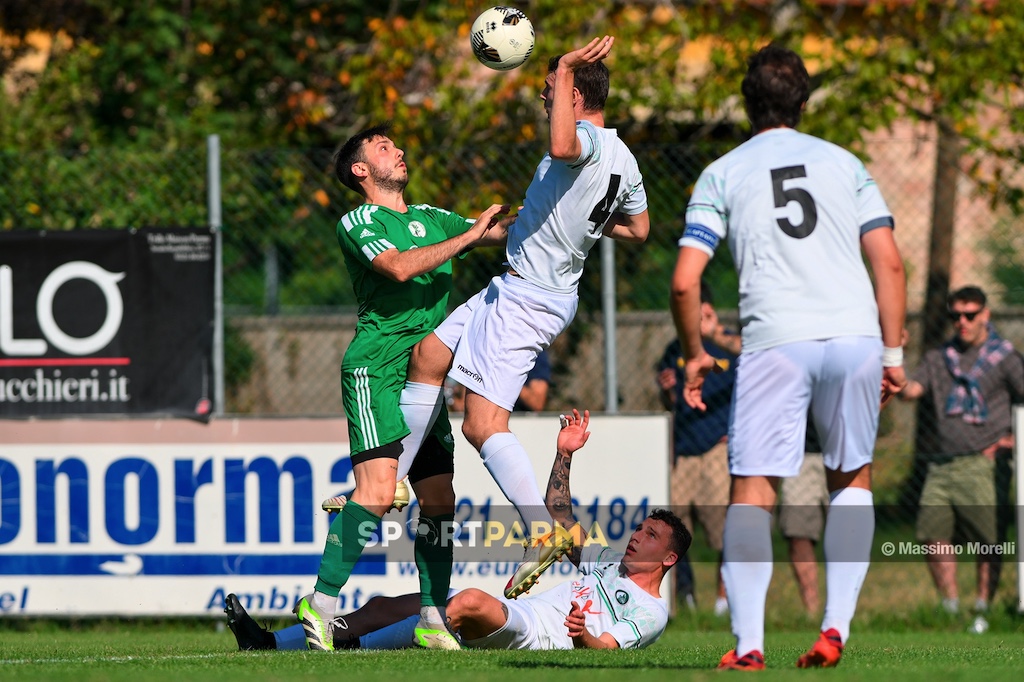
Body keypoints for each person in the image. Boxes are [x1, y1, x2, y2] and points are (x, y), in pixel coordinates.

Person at [670, 44, 907, 670]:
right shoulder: (846, 163)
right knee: (851, 476)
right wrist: (894, 353)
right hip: (855, 336)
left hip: (776, 339)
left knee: (753, 490)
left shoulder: (722, 172)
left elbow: (684, 282)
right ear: (803, 102)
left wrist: (695, 353)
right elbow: (888, 261)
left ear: (746, 104)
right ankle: (834, 627)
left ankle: (749, 646)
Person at [396, 35, 651, 604]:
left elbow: (563, 147)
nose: (546, 97)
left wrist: (562, 64)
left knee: (483, 425)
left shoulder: (580, 138)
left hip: (526, 299)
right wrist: (575, 225)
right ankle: (391, 482)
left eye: (553, 89)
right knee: (428, 356)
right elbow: (639, 229)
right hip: (516, 288)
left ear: (577, 96)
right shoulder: (625, 158)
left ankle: (544, 529)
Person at [296, 122, 513, 652]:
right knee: (375, 493)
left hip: (426, 378)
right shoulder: (359, 219)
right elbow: (395, 268)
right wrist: (466, 239)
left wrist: (567, 200)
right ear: (361, 170)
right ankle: (320, 605)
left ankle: (433, 617)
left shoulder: (432, 218)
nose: (399, 150)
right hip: (377, 369)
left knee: (439, 501)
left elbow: (500, 229)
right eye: (384, 148)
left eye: (396, 144)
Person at [226, 410, 691, 652]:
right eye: (640, 528)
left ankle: (352, 649)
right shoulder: (606, 563)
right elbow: (557, 514)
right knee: (391, 604)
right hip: (520, 615)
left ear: (668, 558)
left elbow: (607, 648)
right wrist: (565, 452)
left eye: (650, 536)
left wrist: (581, 634)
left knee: (464, 600)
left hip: (541, 636)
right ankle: (269, 642)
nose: (636, 536)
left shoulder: (652, 612)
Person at [897, 285, 1023, 623]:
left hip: (984, 463)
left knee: (989, 540)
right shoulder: (939, 358)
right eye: (956, 316)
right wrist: (893, 364)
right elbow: (912, 391)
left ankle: (984, 609)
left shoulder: (1005, 357)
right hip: (942, 463)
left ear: (985, 315)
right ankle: (950, 609)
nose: (962, 322)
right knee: (931, 534)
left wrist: (1010, 440)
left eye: (970, 315)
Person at [655, 280, 738, 616]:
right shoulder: (675, 350)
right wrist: (667, 390)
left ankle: (725, 598)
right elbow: (670, 399)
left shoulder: (727, 346)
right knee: (677, 528)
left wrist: (715, 332)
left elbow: (757, 357)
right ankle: (683, 597)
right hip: (683, 453)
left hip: (716, 450)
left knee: (723, 530)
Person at [778, 419, 829, 616]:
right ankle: (813, 612)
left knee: (849, 536)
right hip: (799, 452)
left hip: (847, 451)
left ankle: (842, 612)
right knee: (797, 532)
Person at [446, 349, 553, 414]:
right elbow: (463, 409)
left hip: (520, 425)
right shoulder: (483, 353)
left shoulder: (535, 354)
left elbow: (537, 403)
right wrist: (449, 396)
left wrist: (506, 373)